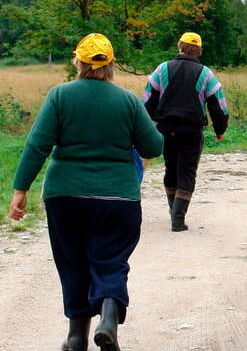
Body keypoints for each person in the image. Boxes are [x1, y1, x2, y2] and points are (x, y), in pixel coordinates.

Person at [8, 33, 163, 351]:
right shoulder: (128, 101)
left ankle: (77, 336)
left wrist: (20, 189)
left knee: (73, 263)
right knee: (111, 260)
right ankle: (107, 319)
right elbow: (154, 145)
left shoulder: (59, 96)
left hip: (65, 197)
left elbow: (38, 145)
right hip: (118, 198)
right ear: (111, 65)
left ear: (77, 61)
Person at [143, 32, 229, 232]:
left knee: (170, 169)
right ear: (198, 50)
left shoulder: (162, 69)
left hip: (165, 129)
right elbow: (219, 105)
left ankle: (174, 212)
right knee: (187, 171)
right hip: (191, 131)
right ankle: (178, 219)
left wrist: (145, 128)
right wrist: (220, 129)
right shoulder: (205, 73)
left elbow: (147, 100)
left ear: (179, 46)